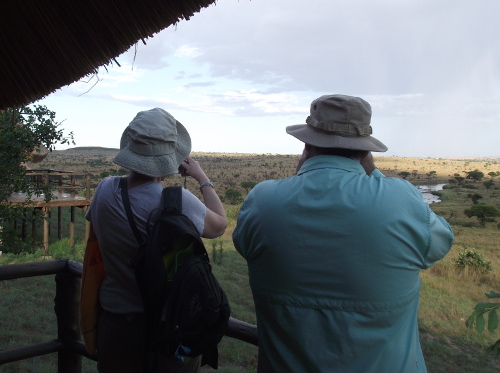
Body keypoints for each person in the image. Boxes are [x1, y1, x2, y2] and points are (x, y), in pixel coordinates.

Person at [232, 94, 454, 373]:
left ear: (306, 142)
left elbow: (243, 243)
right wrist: (375, 177)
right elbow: (441, 241)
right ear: (365, 151)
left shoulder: (263, 201)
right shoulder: (400, 200)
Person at [86, 108, 227, 373]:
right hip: (166, 328)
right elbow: (219, 225)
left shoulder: (104, 189)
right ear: (170, 157)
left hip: (116, 324)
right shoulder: (177, 202)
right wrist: (202, 178)